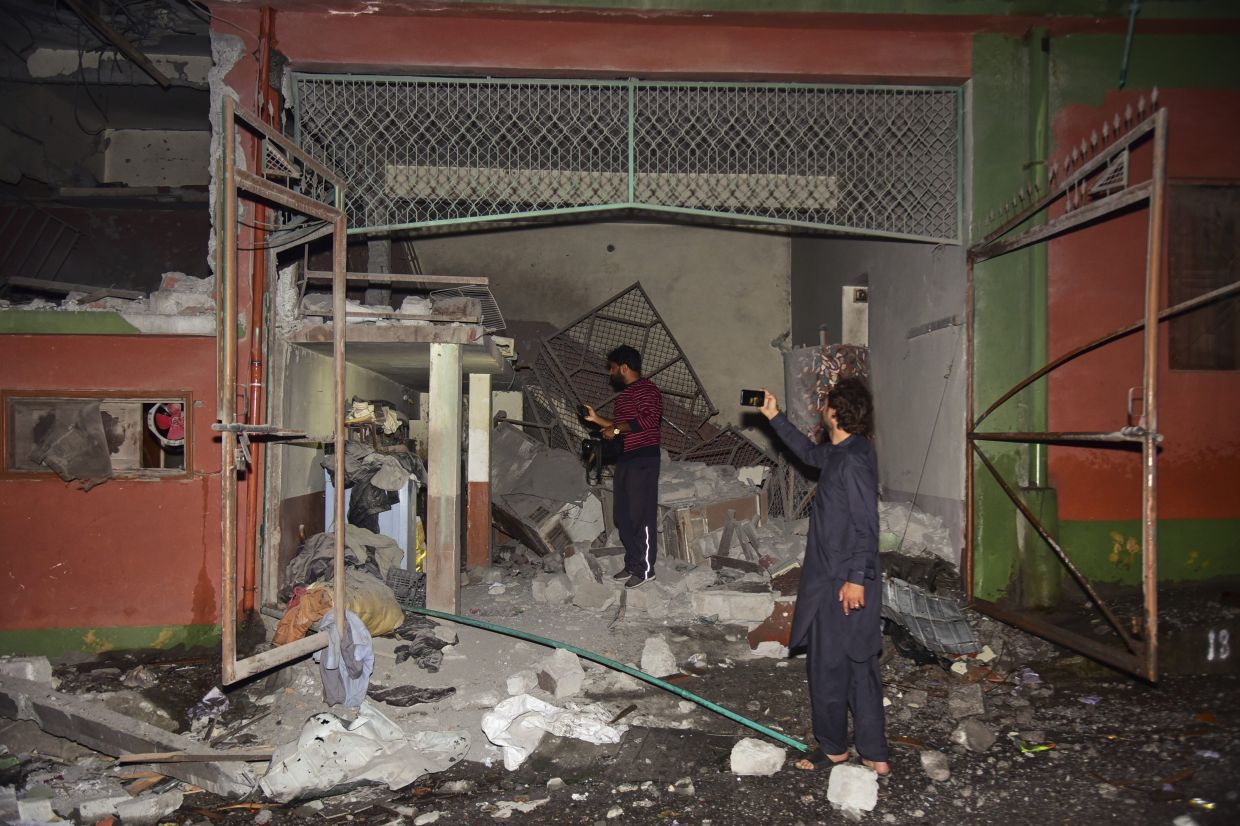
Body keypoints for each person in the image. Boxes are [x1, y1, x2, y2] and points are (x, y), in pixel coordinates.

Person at [759, 378, 890, 776]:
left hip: (841, 582)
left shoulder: (849, 460)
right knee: (857, 665)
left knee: (828, 666)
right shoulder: (846, 451)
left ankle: (834, 748)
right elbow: (807, 452)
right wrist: (773, 416)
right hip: (842, 578)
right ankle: (874, 753)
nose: (820, 410)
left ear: (835, 411)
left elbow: (868, 524)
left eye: (824, 405)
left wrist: (854, 578)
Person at [583, 345, 663, 589]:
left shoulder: (648, 390)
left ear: (624, 367)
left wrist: (616, 429)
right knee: (624, 516)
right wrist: (598, 420)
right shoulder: (625, 396)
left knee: (642, 514)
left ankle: (646, 569)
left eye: (613, 368)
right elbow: (620, 427)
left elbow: (648, 419)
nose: (611, 373)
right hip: (627, 458)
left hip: (644, 459)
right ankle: (632, 563)